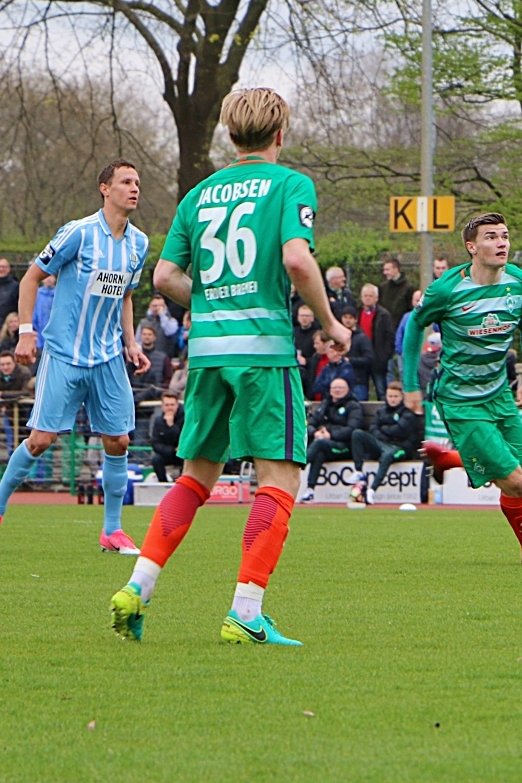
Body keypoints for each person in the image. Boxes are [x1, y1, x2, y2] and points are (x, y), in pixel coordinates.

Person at [110, 87, 351, 646]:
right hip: (264, 353)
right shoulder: (291, 184)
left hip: (208, 355)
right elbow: (296, 257)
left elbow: (165, 278)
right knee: (281, 478)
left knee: (196, 475)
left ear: (229, 134)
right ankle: (246, 611)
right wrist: (333, 324)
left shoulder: (198, 195)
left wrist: (216, 304)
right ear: (280, 134)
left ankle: (138, 587)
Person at [0, 159, 151, 556]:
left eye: (137, 182)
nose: (134, 188)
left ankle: (112, 530)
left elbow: (125, 294)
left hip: (107, 357)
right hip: (65, 354)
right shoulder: (79, 233)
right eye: (125, 181)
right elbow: (31, 278)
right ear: (104, 188)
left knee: (119, 440)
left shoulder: (139, 243)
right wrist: (25, 331)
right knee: (41, 440)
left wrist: (131, 342)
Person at [403, 212, 522, 565]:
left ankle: (450, 459)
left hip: (499, 394)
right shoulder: (447, 288)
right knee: (514, 482)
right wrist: (410, 383)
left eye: (504, 236)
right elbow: (415, 328)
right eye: (491, 237)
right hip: (460, 399)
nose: (501, 242)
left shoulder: (520, 283)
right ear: (471, 247)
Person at [348, 383, 423, 504]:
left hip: (400, 447)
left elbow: (399, 431)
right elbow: (373, 428)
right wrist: (386, 433)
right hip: (381, 443)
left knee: (387, 455)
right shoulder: (381, 411)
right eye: (390, 396)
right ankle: (358, 471)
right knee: (357, 434)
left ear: (401, 397)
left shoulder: (407, 414)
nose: (392, 399)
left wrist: (383, 429)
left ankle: (372, 490)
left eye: (395, 396)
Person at [302, 377, 363, 498]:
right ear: (330, 390)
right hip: (327, 444)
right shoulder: (325, 404)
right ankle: (310, 489)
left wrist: (330, 435)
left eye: (341, 388)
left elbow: (351, 429)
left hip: (345, 447)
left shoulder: (353, 406)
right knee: (319, 453)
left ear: (347, 390)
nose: (337, 390)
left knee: (320, 444)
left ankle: (300, 465)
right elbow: (311, 423)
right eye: (334, 388)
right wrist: (315, 433)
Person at [356, 284, 395, 400]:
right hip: (361, 358)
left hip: (378, 359)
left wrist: (384, 357)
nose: (368, 298)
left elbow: (389, 337)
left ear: (376, 298)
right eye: (365, 295)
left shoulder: (384, 315)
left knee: (381, 389)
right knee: (361, 390)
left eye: (370, 296)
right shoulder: (356, 313)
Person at [147, 392, 183, 483]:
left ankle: (182, 483)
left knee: (187, 459)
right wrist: (171, 450)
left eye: (172, 405)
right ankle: (163, 482)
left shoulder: (185, 418)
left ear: (177, 405)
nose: (170, 407)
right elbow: (155, 443)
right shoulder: (158, 420)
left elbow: (182, 437)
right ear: (162, 406)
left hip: (182, 452)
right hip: (168, 452)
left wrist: (171, 426)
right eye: (167, 405)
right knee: (156, 459)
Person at [377, 257, 414, 323]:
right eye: (384, 270)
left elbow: (410, 309)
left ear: (396, 269)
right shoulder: (382, 287)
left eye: (387, 270)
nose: (385, 272)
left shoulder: (409, 288)